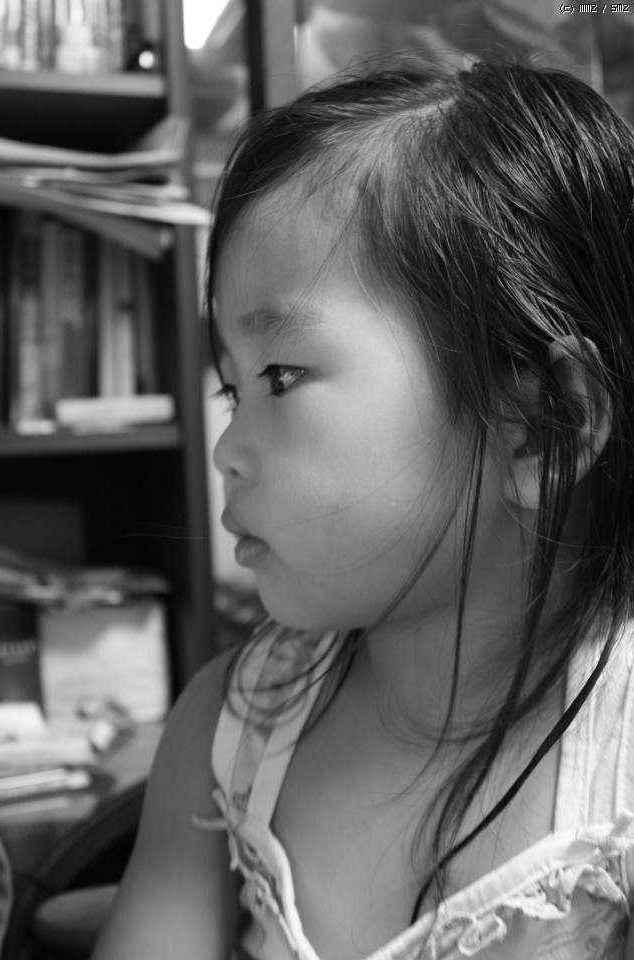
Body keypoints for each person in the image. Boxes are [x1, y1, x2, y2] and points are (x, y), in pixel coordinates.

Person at [91, 58, 634, 960]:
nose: (227, 451)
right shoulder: (227, 727)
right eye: (232, 390)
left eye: (281, 377)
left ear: (544, 424)